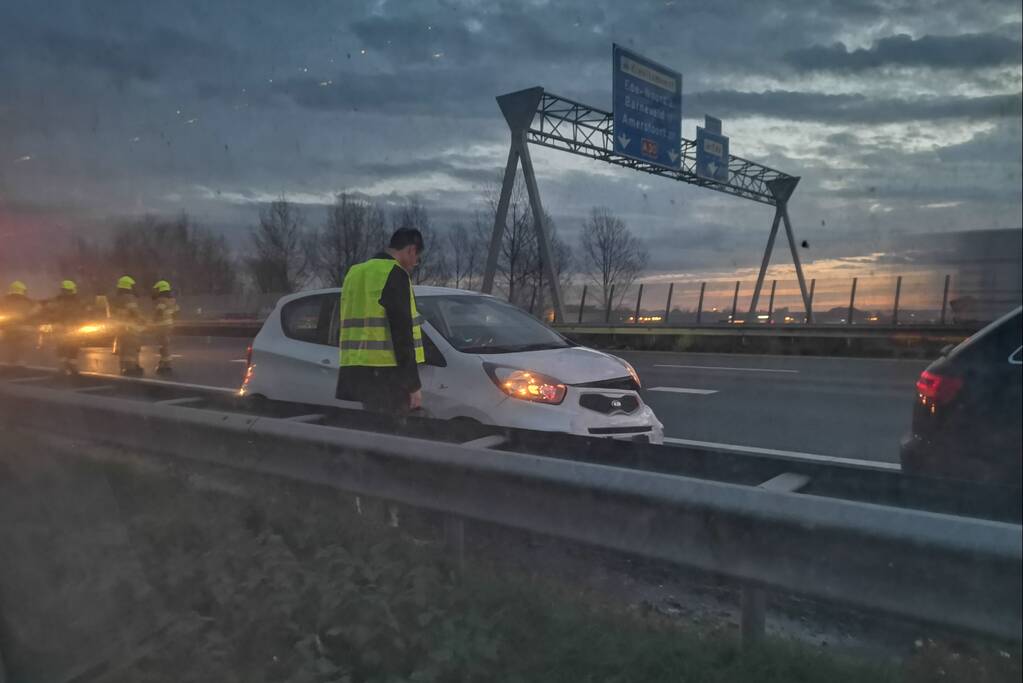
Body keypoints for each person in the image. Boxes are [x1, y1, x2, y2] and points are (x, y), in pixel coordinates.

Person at [336, 228, 426, 416]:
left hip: (358, 371)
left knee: (374, 431)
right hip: (389, 376)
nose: (415, 264)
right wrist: (413, 384)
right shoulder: (394, 273)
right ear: (411, 250)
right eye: (417, 258)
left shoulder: (354, 273)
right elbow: (401, 332)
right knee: (393, 436)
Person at [111, 275, 145, 376]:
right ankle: (132, 367)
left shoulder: (116, 298)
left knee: (123, 347)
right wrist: (142, 320)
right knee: (131, 347)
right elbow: (134, 311)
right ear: (129, 286)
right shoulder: (129, 298)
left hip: (119, 326)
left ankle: (124, 366)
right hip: (129, 326)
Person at [51, 280, 86, 374]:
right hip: (72, 327)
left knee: (65, 346)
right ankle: (70, 366)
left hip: (66, 327)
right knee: (71, 346)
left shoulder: (58, 300)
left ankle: (65, 366)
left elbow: (52, 312)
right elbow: (82, 314)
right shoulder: (77, 301)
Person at [1, 281, 38, 365]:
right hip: (16, 328)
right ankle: (17, 360)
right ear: (23, 291)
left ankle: (16, 359)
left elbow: (35, 312)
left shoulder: (4, 300)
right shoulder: (28, 302)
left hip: (13, 328)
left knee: (19, 343)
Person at [150, 280, 179, 375]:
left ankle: (166, 365)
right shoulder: (172, 300)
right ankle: (164, 363)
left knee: (163, 346)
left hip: (161, 326)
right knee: (165, 345)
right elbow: (176, 312)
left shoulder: (161, 300)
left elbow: (159, 311)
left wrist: (152, 321)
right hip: (169, 325)